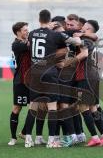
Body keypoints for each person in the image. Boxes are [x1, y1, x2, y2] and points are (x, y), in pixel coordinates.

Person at [24, 9, 82, 148]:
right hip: (49, 73)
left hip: (35, 74)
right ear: (50, 20)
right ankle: (51, 141)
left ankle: (28, 139)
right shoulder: (56, 35)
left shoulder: (31, 34)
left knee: (33, 107)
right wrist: (78, 38)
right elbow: (76, 42)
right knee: (52, 108)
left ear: (39, 19)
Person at [8, 22, 31, 146]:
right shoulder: (16, 44)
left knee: (36, 108)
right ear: (18, 32)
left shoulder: (27, 42)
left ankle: (24, 132)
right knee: (17, 108)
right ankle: (13, 138)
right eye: (25, 30)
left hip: (31, 81)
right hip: (20, 81)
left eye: (28, 30)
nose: (27, 32)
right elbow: (28, 44)